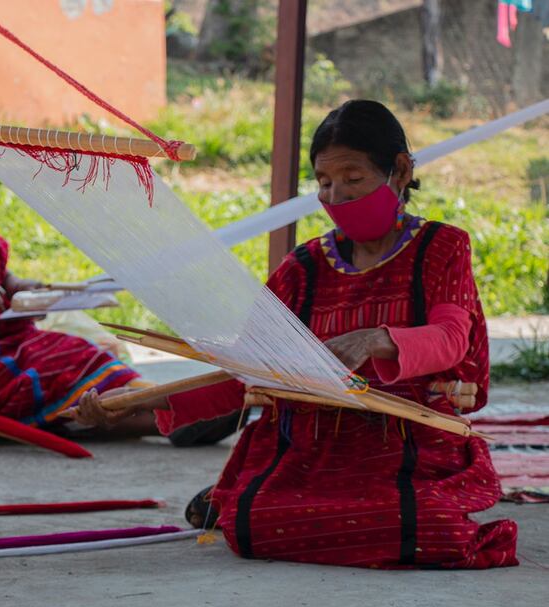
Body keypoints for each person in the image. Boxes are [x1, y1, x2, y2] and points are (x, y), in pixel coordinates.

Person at [75, 100, 518, 569]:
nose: (336, 196)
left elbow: (452, 339)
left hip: (410, 441)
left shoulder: (440, 248)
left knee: (427, 529)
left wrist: (375, 339)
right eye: (325, 183)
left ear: (401, 171)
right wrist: (134, 404)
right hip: (311, 444)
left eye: (353, 179)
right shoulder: (303, 269)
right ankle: (241, 496)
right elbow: (249, 370)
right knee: (253, 527)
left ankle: (236, 494)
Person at [0, 99, 236, 441]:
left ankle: (175, 414)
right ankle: (174, 420)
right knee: (60, 368)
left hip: (0, 335)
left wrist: (17, 285)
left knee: (78, 353)